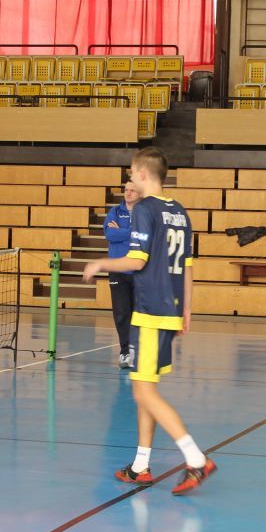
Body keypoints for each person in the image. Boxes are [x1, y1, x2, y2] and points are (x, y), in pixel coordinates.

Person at [82, 147, 216, 496]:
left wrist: (100, 264)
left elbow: (136, 261)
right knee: (147, 389)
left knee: (143, 392)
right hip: (169, 308)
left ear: (143, 174)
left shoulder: (144, 209)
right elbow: (187, 266)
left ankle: (196, 458)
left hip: (151, 311)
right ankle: (140, 466)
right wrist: (187, 309)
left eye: (131, 173)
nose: (129, 179)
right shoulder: (179, 211)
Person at [103, 181, 141, 368]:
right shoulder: (115, 212)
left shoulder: (144, 213)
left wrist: (121, 231)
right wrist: (130, 232)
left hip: (139, 271)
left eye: (132, 190)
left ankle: (138, 351)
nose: (128, 193)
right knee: (121, 314)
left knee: (139, 314)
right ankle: (125, 352)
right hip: (118, 271)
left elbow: (144, 235)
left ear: (139, 193)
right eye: (126, 190)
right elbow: (110, 235)